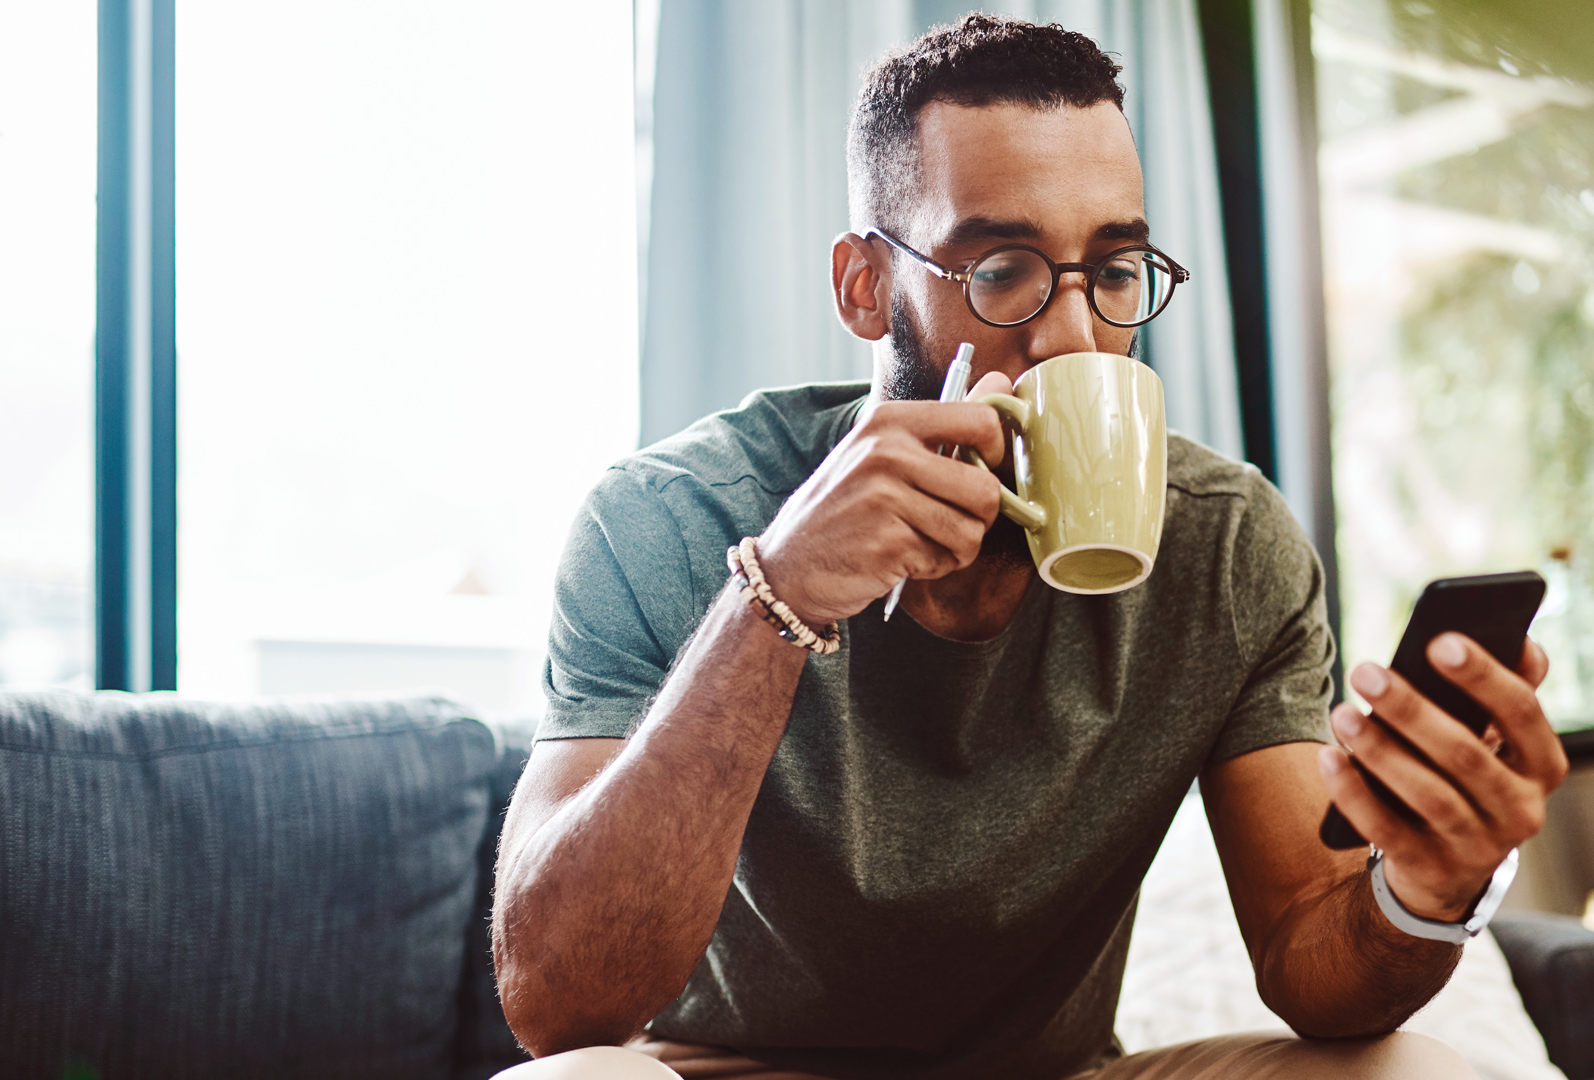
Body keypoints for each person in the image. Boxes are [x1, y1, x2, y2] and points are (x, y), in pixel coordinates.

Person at [490, 15, 1566, 1080]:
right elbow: (557, 1004)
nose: (1072, 338)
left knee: (1415, 1070)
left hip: (1061, 1077)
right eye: (1002, 269)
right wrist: (778, 596)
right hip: (734, 1068)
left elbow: (1307, 963)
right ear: (867, 287)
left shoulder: (1226, 545)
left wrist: (1424, 890)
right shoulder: (667, 518)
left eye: (1113, 268)